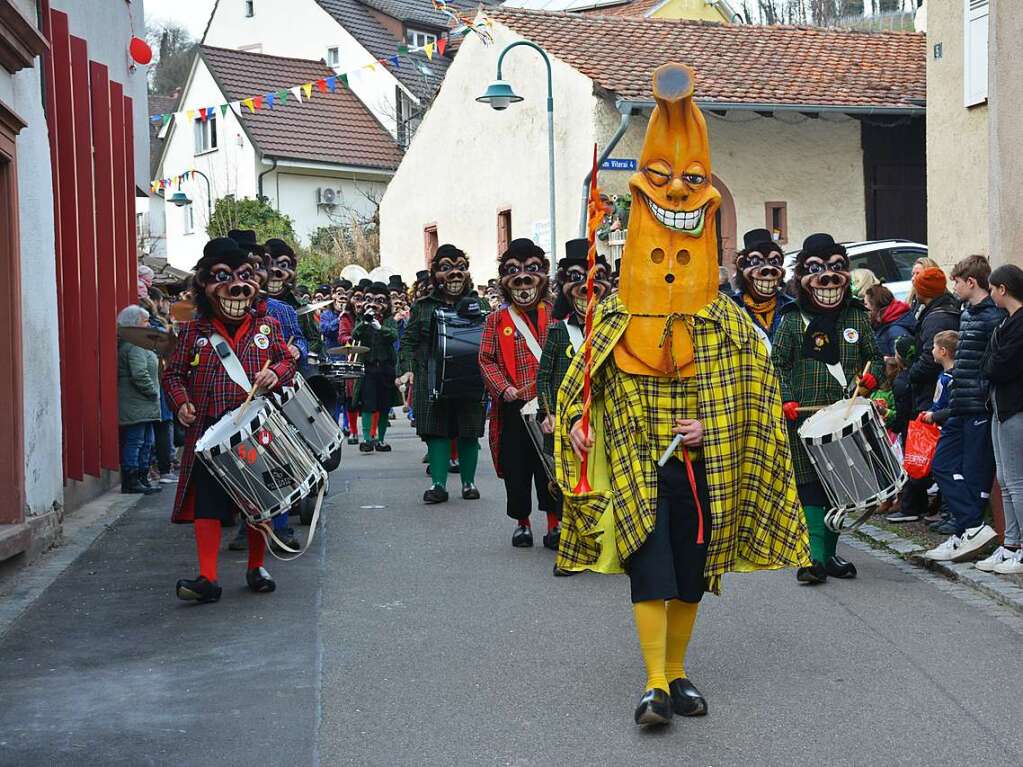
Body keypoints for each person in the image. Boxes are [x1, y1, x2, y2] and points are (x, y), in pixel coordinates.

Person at [557, 64, 809, 727]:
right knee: (650, 568)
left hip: (701, 470)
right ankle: (652, 684)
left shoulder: (725, 321)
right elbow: (579, 385)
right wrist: (581, 418)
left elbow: (754, 401)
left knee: (691, 573)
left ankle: (676, 670)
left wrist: (713, 429)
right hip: (637, 461)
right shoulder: (611, 314)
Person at [163, 238, 296, 604]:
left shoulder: (267, 326)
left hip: (255, 430)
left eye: (245, 276)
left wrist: (276, 375)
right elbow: (172, 375)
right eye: (223, 277)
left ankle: (256, 567)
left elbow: (288, 361)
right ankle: (207, 577)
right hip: (207, 432)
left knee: (258, 500)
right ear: (203, 285)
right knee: (208, 503)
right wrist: (181, 403)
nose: (237, 287)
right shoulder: (192, 331)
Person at [773, 232, 884, 584]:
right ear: (802, 277)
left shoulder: (857, 317)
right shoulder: (791, 319)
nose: (828, 278)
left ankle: (828, 556)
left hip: (846, 416)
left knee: (839, 487)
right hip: (804, 419)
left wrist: (870, 381)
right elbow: (777, 365)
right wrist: (786, 398)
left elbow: (875, 360)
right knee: (809, 488)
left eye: (837, 269)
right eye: (816, 269)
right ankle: (813, 559)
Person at [478, 237, 556, 548]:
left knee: (551, 466)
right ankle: (522, 524)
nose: (523, 278)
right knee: (517, 467)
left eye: (531, 269)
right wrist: (504, 388)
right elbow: (486, 359)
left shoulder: (558, 316)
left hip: (550, 406)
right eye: (514, 271)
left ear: (545, 273)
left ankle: (555, 524)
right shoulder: (495, 320)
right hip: (513, 407)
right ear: (504, 280)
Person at [536, 239, 611, 560]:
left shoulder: (614, 329)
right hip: (567, 420)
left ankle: (605, 539)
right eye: (577, 278)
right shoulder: (557, 332)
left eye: (595, 278)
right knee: (568, 479)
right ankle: (572, 541)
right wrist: (547, 412)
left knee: (605, 477)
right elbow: (543, 377)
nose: (586, 288)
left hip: (605, 418)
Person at [924, 256, 1003, 560]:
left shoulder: (992, 316)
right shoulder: (967, 313)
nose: (953, 286)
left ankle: (964, 532)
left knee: (973, 474)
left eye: (956, 281)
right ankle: (971, 527)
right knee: (942, 465)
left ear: (971, 282)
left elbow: (991, 362)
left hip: (979, 406)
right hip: (960, 404)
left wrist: (984, 395)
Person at [399, 244, 488, 503]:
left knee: (468, 430)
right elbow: (408, 340)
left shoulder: (479, 304)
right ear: (435, 273)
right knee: (436, 430)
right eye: (447, 268)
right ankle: (438, 484)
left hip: (471, 376)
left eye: (461, 267)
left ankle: (468, 483)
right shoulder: (423, 307)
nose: (455, 274)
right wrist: (405, 369)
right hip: (431, 376)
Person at [893, 266, 961, 524]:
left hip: (930, 391)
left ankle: (925, 505)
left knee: (929, 449)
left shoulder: (937, 318)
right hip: (929, 389)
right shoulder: (935, 311)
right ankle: (921, 503)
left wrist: (911, 376)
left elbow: (928, 358)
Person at [982, 265, 1023, 574]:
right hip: (999, 406)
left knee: (1018, 481)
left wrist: (993, 361)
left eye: (993, 288)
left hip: (1015, 407)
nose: (991, 293)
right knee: (1004, 480)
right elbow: (988, 362)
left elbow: (999, 367)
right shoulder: (1005, 324)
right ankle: (1010, 544)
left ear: (1003, 289)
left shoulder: (1019, 325)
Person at [118, 305, 162, 496]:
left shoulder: (138, 343)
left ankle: (141, 477)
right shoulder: (135, 345)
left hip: (143, 403)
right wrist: (153, 392)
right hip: (137, 401)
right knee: (136, 441)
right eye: (145, 321)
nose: (149, 324)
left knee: (146, 441)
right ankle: (132, 480)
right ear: (135, 324)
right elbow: (139, 374)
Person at [352, 283, 401, 453]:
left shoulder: (389, 320)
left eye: (379, 301)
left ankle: (380, 439)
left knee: (384, 405)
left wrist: (380, 328)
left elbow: (393, 335)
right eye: (369, 300)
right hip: (369, 368)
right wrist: (365, 322)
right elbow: (354, 335)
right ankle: (367, 439)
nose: (374, 305)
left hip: (386, 368)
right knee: (367, 404)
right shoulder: (361, 319)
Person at [731, 228, 794, 346]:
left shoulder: (793, 308)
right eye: (756, 261)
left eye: (774, 262)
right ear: (741, 265)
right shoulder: (732, 310)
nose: (768, 269)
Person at [864, 284, 915, 357]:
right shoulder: (882, 324)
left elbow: (903, 364)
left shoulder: (896, 331)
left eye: (866, 304)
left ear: (875, 306)